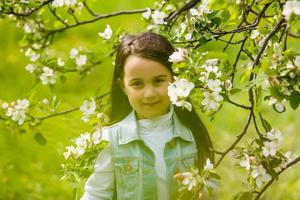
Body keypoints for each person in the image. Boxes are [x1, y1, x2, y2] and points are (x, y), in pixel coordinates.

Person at [81, 32, 214, 200]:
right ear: (123, 87)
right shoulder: (111, 141)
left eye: (158, 81)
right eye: (137, 84)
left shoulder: (190, 134)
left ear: (174, 79)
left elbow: (210, 185)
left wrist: (203, 194)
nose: (149, 93)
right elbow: (96, 195)